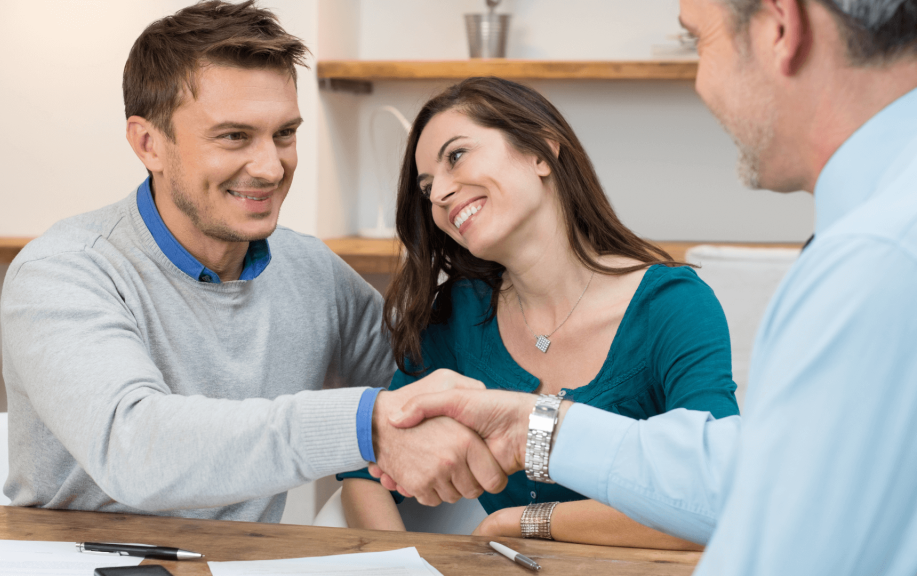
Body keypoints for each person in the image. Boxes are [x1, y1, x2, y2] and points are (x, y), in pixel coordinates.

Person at [372, 0, 917, 573]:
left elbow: (782, 525)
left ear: (782, 27)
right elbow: (751, 476)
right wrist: (533, 428)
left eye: (697, 42)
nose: (439, 196)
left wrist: (531, 498)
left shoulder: (876, 260)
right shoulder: (871, 243)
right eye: (428, 185)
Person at [0, 0, 507, 523]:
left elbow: (424, 383)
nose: (270, 167)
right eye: (234, 136)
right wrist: (363, 425)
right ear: (148, 143)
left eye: (284, 134)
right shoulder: (63, 272)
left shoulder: (311, 271)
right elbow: (133, 447)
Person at [339, 77, 738, 550]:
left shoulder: (672, 306)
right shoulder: (457, 315)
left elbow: (722, 499)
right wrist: (400, 565)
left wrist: (522, 521)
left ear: (541, 151)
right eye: (426, 187)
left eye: (457, 156)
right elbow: (367, 466)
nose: (440, 194)